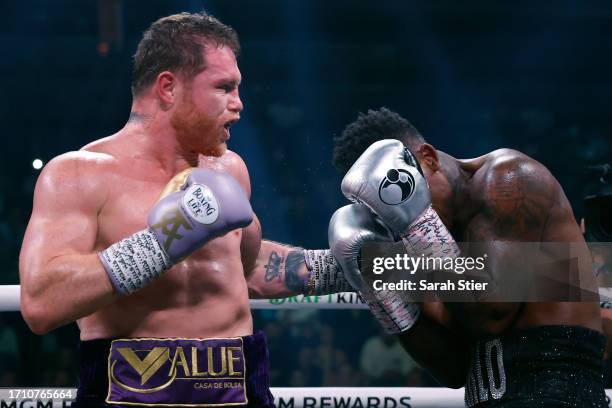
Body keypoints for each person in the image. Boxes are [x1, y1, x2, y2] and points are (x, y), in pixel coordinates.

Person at [19, 12, 351, 407]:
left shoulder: (229, 169)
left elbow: (241, 268)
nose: (238, 104)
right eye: (224, 87)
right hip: (130, 391)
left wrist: (354, 266)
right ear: (168, 87)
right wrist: (163, 242)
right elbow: (42, 303)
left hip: (239, 387)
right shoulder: (78, 174)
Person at [329, 108, 606, 406]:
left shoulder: (509, 180)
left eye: (398, 193)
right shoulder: (426, 246)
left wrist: (415, 223)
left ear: (429, 158)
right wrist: (386, 299)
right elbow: (455, 369)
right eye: (382, 208)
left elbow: (491, 315)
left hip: (556, 396)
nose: (394, 217)